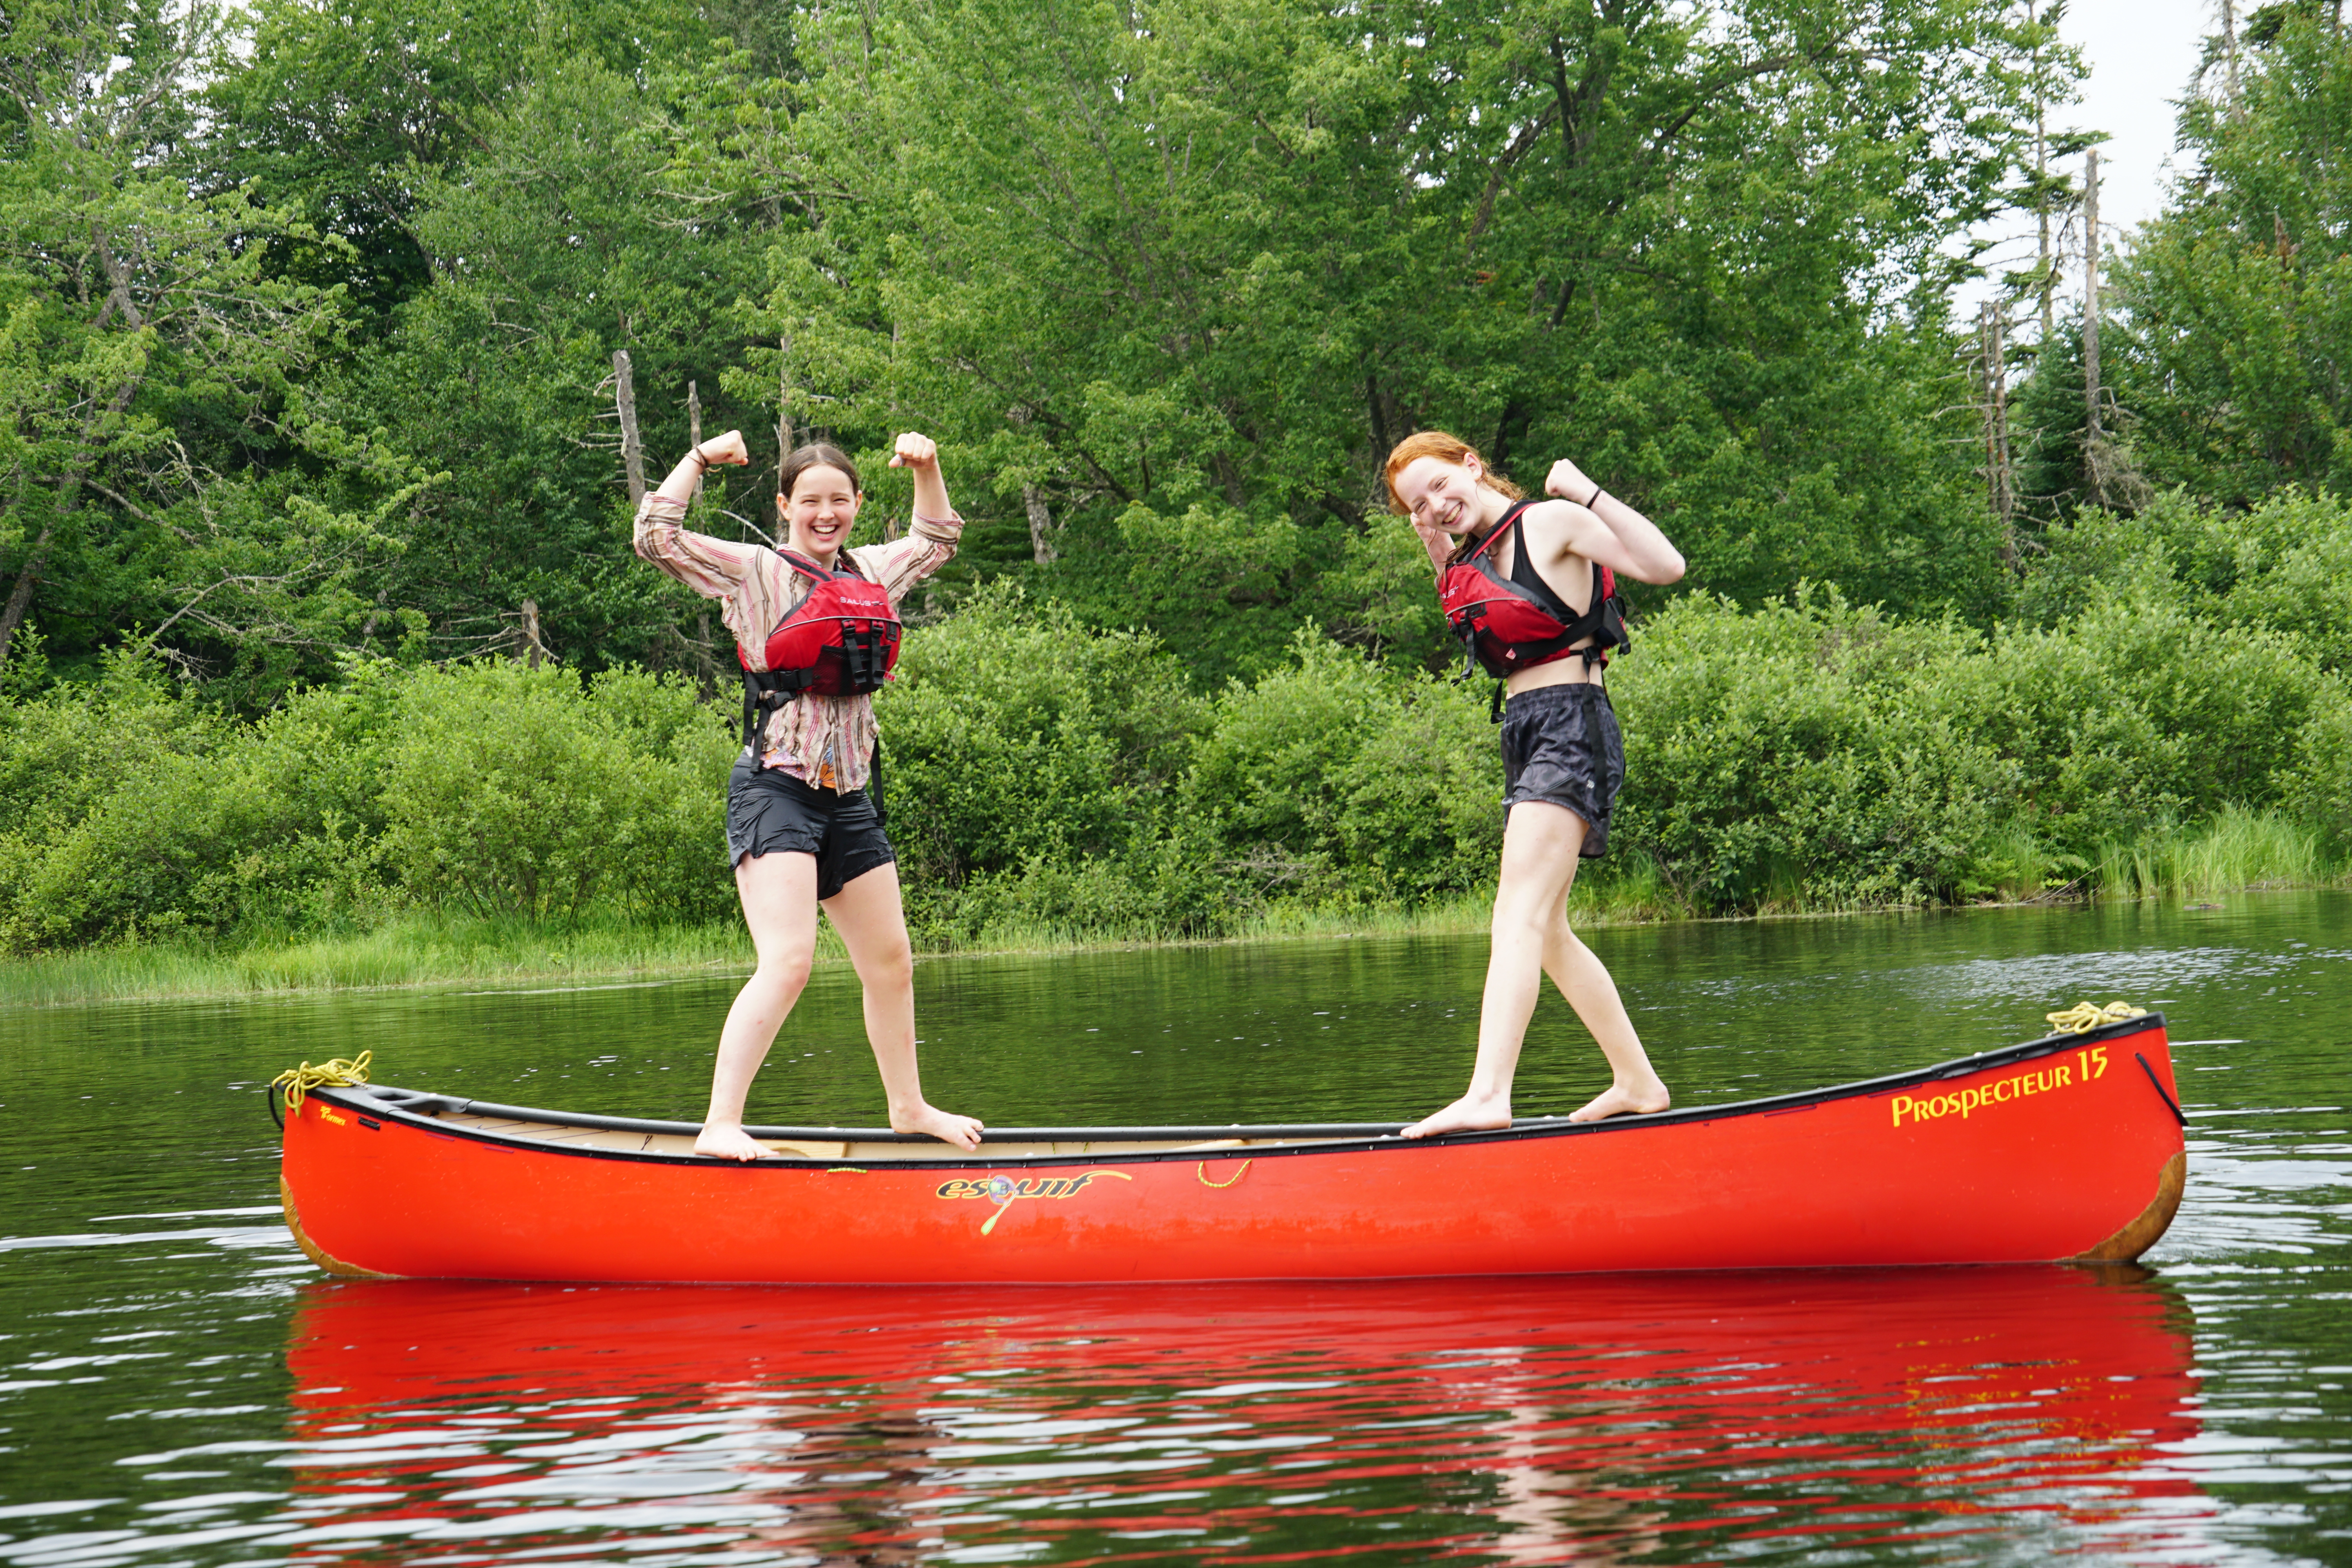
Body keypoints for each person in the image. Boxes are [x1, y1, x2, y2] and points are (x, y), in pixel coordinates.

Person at [634, 428, 983, 1159]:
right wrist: (698, 459)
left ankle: (909, 1108)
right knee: (790, 961)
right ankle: (720, 1125)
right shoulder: (753, 571)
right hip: (777, 788)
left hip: (848, 794)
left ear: (857, 503)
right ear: (785, 505)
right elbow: (656, 537)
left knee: (891, 962)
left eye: (840, 501)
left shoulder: (873, 569)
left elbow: (937, 540)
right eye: (812, 502)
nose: (827, 514)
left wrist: (927, 466)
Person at [1385, 431, 1686, 1136]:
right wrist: (1438, 553)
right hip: (1525, 731)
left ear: (1471, 464)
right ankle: (1638, 1083)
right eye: (1417, 505)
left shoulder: (1551, 523)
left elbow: (1666, 566)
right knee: (1546, 930)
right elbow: (1495, 616)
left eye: (1439, 485)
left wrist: (1585, 490)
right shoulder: (1473, 558)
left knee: (1515, 913)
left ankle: (1490, 1094)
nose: (1434, 506)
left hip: (1571, 726)